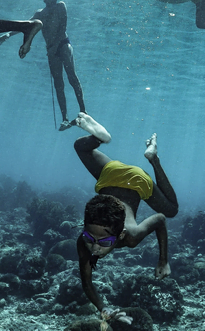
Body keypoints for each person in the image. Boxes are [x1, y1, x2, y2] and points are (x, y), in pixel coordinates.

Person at [72, 113, 179, 320]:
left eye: (105, 241)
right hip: (110, 174)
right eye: (90, 238)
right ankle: (100, 138)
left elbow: (161, 218)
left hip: (136, 181)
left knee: (172, 210)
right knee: (79, 147)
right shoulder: (84, 241)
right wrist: (104, 308)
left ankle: (153, 159)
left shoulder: (130, 236)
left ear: (120, 235)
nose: (95, 248)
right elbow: (86, 282)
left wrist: (163, 261)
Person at [0, 0, 86, 130]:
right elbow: (26, 26)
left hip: (62, 45)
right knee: (58, 84)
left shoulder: (61, 6)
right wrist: (8, 34)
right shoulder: (39, 13)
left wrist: (54, 47)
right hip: (51, 50)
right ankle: (65, 118)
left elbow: (63, 27)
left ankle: (83, 111)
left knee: (72, 77)